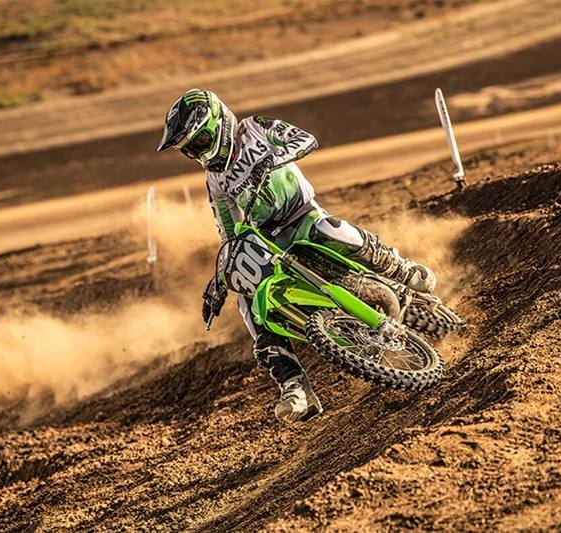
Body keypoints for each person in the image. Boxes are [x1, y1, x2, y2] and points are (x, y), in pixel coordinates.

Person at [157, 89, 437, 423]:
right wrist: (221, 280)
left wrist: (273, 159)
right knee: (249, 298)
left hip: (301, 214)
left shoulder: (256, 128)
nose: (198, 152)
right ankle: (295, 386)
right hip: (268, 235)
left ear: (218, 123)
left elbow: (305, 140)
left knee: (331, 231)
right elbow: (228, 232)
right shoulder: (214, 179)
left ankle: (400, 268)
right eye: (190, 149)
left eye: (200, 141)